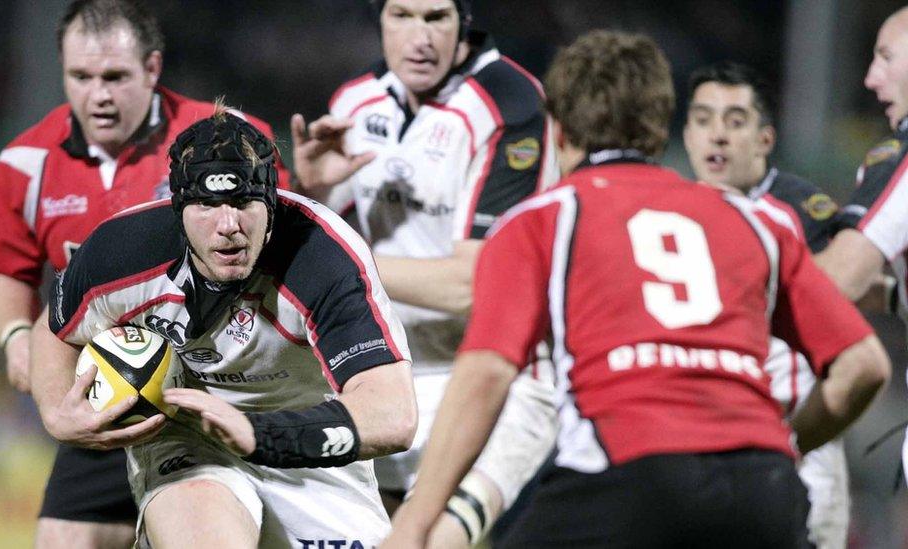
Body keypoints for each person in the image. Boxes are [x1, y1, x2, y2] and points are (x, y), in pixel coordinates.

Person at [383, 30, 891, 548]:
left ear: (558, 130)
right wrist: (788, 444)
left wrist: (414, 522)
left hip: (628, 477)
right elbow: (864, 366)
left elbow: (486, 371)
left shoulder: (542, 219)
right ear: (661, 125)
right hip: (765, 489)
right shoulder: (758, 221)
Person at [0, 1, 287, 546]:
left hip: (227, 388)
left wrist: (320, 186)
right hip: (110, 391)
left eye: (115, 77)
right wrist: (16, 336)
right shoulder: (25, 163)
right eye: (81, 76)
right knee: (63, 539)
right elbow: (2, 268)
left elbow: (288, 240)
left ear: (152, 68)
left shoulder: (226, 140)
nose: (98, 94)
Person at [29, 109, 418, 547]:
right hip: (191, 440)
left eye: (243, 202)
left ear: (272, 200)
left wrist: (261, 434)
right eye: (207, 205)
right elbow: (54, 330)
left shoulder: (323, 257)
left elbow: (393, 414)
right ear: (179, 206)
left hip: (302, 438)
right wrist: (55, 414)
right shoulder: (121, 251)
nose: (228, 226)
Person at [291, 1, 559, 546]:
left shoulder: (511, 102)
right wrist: (315, 191)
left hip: (486, 379)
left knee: (435, 539)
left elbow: (472, 286)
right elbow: (325, 241)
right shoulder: (353, 102)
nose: (420, 38)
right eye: (403, 16)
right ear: (379, 18)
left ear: (464, 20)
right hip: (382, 372)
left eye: (436, 17)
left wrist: (344, 265)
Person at [683, 60, 850, 548]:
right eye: (703, 120)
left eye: (735, 122)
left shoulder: (804, 211)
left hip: (795, 442)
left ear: (765, 139)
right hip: (699, 444)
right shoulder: (667, 212)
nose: (717, 136)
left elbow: (854, 295)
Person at [816, 5, 908, 484]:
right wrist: (893, 297)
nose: (872, 79)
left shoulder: (902, 161)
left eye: (886, 57)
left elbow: (839, 279)